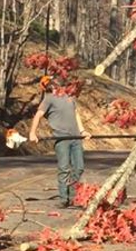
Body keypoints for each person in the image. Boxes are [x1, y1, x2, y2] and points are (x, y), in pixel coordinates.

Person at [29, 76, 91, 208]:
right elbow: (38, 115)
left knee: (79, 168)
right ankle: (64, 198)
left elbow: (76, 114)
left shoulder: (70, 98)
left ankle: (73, 195)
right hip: (61, 138)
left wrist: (82, 131)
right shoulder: (49, 98)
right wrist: (32, 133)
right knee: (64, 169)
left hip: (76, 138)